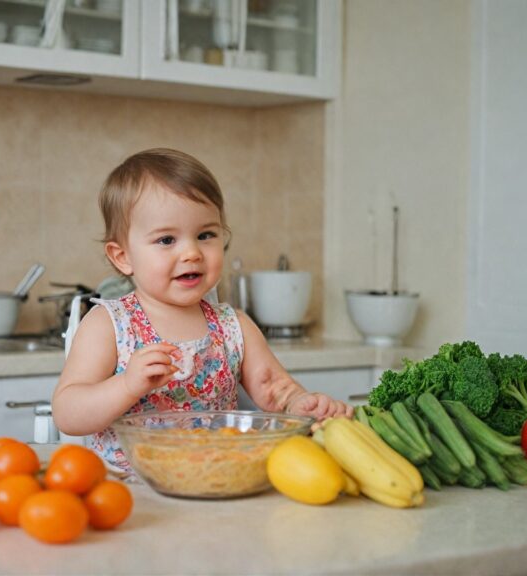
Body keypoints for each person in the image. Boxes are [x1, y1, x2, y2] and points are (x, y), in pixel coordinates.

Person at [52, 148, 352, 470]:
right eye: (167, 240)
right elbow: (68, 413)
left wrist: (299, 403)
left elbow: (273, 389)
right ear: (123, 256)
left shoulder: (233, 326)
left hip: (216, 480)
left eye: (205, 235)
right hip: (131, 493)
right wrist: (126, 385)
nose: (192, 253)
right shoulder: (109, 325)